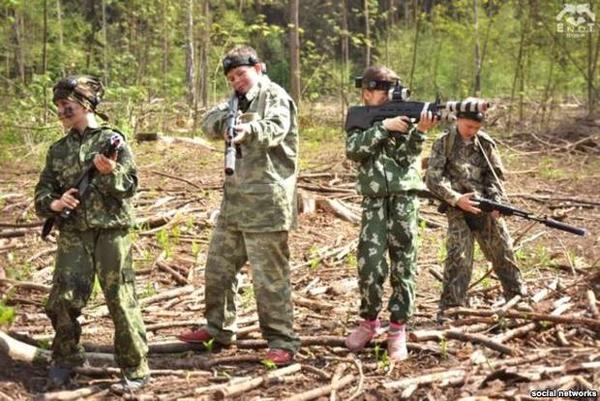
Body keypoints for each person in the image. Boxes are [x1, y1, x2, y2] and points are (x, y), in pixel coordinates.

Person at [178, 45, 300, 365]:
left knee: (269, 277)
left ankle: (281, 341)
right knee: (217, 268)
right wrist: (227, 122)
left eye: (241, 74)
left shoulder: (274, 96)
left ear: (258, 68)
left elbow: (276, 128)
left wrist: (248, 129)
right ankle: (218, 329)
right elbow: (207, 122)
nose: (237, 81)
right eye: (231, 78)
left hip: (267, 202)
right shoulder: (234, 102)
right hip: (234, 203)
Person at [34, 75, 149, 393]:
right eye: (57, 105)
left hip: (111, 232)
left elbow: (131, 186)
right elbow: (42, 192)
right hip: (73, 234)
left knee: (121, 301)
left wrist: (111, 173)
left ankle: (135, 367)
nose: (61, 110)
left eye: (66, 104)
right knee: (63, 301)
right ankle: (65, 360)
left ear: (84, 103)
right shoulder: (58, 150)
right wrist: (55, 202)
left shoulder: (113, 140)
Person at [344, 66, 436, 361]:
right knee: (369, 264)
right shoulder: (361, 119)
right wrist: (383, 128)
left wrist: (418, 132)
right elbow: (354, 150)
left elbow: (407, 157)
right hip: (373, 200)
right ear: (366, 93)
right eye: (382, 93)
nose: (386, 99)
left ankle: (398, 328)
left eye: (391, 93)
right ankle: (369, 322)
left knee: (403, 264)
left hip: (404, 199)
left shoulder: (403, 116)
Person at [424, 102, 527, 323]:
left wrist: (497, 202)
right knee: (459, 257)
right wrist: (455, 198)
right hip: (457, 207)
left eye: (477, 128)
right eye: (469, 126)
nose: (472, 131)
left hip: (485, 206)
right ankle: (451, 309)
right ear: (458, 119)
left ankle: (518, 299)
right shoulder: (444, 143)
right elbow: (433, 179)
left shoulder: (485, 143)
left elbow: (494, 177)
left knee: (503, 252)